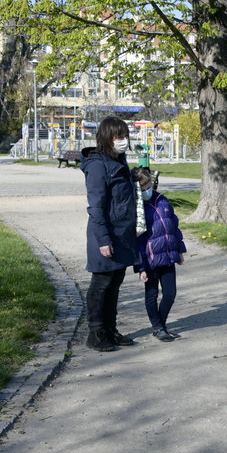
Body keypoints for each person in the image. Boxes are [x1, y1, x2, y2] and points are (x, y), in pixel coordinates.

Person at [81, 116, 140, 352]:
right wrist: (104, 240)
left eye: (125, 136)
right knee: (101, 283)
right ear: (107, 138)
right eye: (119, 136)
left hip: (122, 233)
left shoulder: (119, 161)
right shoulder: (97, 166)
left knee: (115, 283)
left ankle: (111, 330)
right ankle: (95, 333)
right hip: (105, 234)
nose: (123, 141)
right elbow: (96, 206)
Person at [131, 167, 187, 342]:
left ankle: (160, 324)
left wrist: (180, 249)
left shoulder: (162, 200)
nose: (147, 190)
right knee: (152, 294)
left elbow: (173, 226)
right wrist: (140, 267)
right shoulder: (136, 209)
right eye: (143, 187)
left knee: (170, 293)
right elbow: (136, 239)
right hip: (150, 258)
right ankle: (157, 326)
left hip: (169, 255)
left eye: (148, 185)